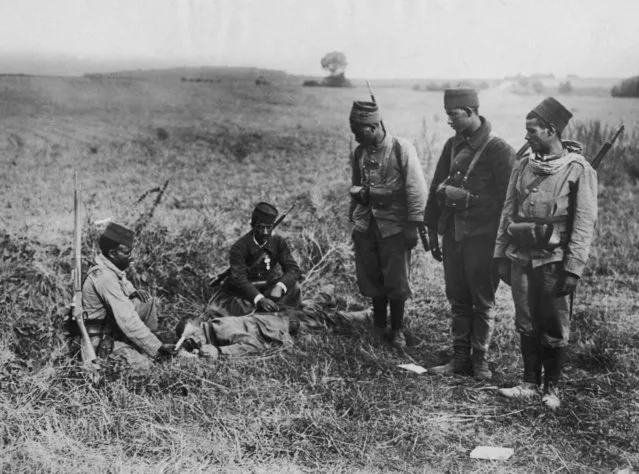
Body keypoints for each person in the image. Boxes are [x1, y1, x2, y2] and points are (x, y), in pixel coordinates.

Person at [495, 97, 598, 409]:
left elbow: (583, 223)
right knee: (525, 318)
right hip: (520, 255)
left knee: (553, 322)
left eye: (533, 130)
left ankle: (551, 387)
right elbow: (508, 210)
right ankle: (529, 382)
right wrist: (500, 254)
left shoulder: (579, 170)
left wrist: (573, 268)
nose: (527, 137)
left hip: (555, 259)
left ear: (551, 130)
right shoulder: (523, 165)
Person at [424, 88, 516, 379]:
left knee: (482, 299)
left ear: (470, 111)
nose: (449, 120)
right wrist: (433, 229)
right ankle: (460, 359)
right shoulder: (452, 145)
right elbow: (436, 185)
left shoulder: (499, 150)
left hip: (483, 238)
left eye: (453, 114)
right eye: (447, 114)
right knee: (458, 298)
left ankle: (481, 362)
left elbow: (508, 203)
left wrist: (468, 200)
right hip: (453, 235)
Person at [348, 100, 428, 349]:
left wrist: (413, 225)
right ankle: (379, 326)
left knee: (396, 280)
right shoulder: (360, 152)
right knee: (372, 276)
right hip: (367, 225)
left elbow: (417, 189)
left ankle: (398, 330)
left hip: (394, 226)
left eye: (358, 132)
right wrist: (356, 212)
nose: (356, 137)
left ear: (373, 127)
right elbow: (355, 184)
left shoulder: (401, 148)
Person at [81, 222, 175, 371]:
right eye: (127, 253)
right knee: (147, 367)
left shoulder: (110, 267)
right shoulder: (104, 277)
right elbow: (127, 319)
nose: (131, 258)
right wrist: (157, 349)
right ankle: (150, 351)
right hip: (100, 341)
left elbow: (124, 284)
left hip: (112, 330)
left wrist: (133, 293)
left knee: (145, 301)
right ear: (112, 253)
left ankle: (147, 345)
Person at [208, 202, 302, 316]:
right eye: (261, 227)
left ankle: (283, 314)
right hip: (245, 294)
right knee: (244, 310)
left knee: (294, 288)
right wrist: (259, 299)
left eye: (269, 227)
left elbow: (293, 269)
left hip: (267, 288)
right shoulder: (239, 248)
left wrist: (280, 286)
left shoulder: (278, 242)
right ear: (252, 225)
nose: (265, 232)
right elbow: (240, 279)